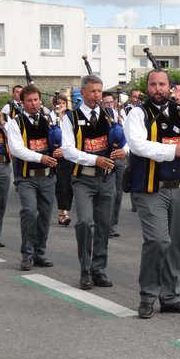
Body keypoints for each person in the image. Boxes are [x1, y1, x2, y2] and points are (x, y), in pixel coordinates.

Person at [125, 69, 180, 319]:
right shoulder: (137, 114)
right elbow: (138, 145)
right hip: (152, 188)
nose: (158, 89)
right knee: (158, 241)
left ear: (170, 87)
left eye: (162, 84)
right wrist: (174, 151)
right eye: (153, 85)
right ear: (147, 87)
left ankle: (170, 296)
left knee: (177, 244)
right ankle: (148, 295)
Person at [62, 75, 125, 289]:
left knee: (103, 226)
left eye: (99, 91)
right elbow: (69, 151)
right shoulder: (71, 117)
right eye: (92, 91)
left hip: (107, 178)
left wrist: (122, 151)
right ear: (83, 93)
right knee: (85, 223)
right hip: (84, 179)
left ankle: (99, 269)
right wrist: (94, 159)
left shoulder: (110, 115)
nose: (97, 95)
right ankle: (85, 269)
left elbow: (125, 143)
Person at [7, 85, 58, 270]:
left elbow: (56, 142)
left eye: (36, 100)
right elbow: (17, 150)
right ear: (23, 102)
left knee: (44, 216)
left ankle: (39, 254)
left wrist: (58, 149)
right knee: (30, 212)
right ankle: (27, 255)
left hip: (47, 177)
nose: (34, 103)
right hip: (26, 177)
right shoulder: (16, 122)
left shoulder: (49, 119)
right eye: (29, 100)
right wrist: (41, 157)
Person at [101, 91, 126, 237]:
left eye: (111, 103)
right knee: (106, 194)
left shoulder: (122, 117)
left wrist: (124, 150)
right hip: (106, 159)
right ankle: (104, 223)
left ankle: (113, 225)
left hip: (120, 160)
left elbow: (129, 137)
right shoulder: (100, 119)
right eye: (106, 103)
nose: (109, 105)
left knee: (118, 193)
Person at [51, 93, 74, 227]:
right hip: (56, 156)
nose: (62, 106)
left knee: (70, 185)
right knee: (62, 185)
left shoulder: (71, 117)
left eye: (64, 104)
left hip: (69, 155)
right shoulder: (49, 117)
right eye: (59, 104)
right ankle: (63, 213)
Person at [0, 109, 10, 247]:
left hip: (2, 164)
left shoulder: (5, 121)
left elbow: (13, 138)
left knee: (0, 202)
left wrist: (1, 123)